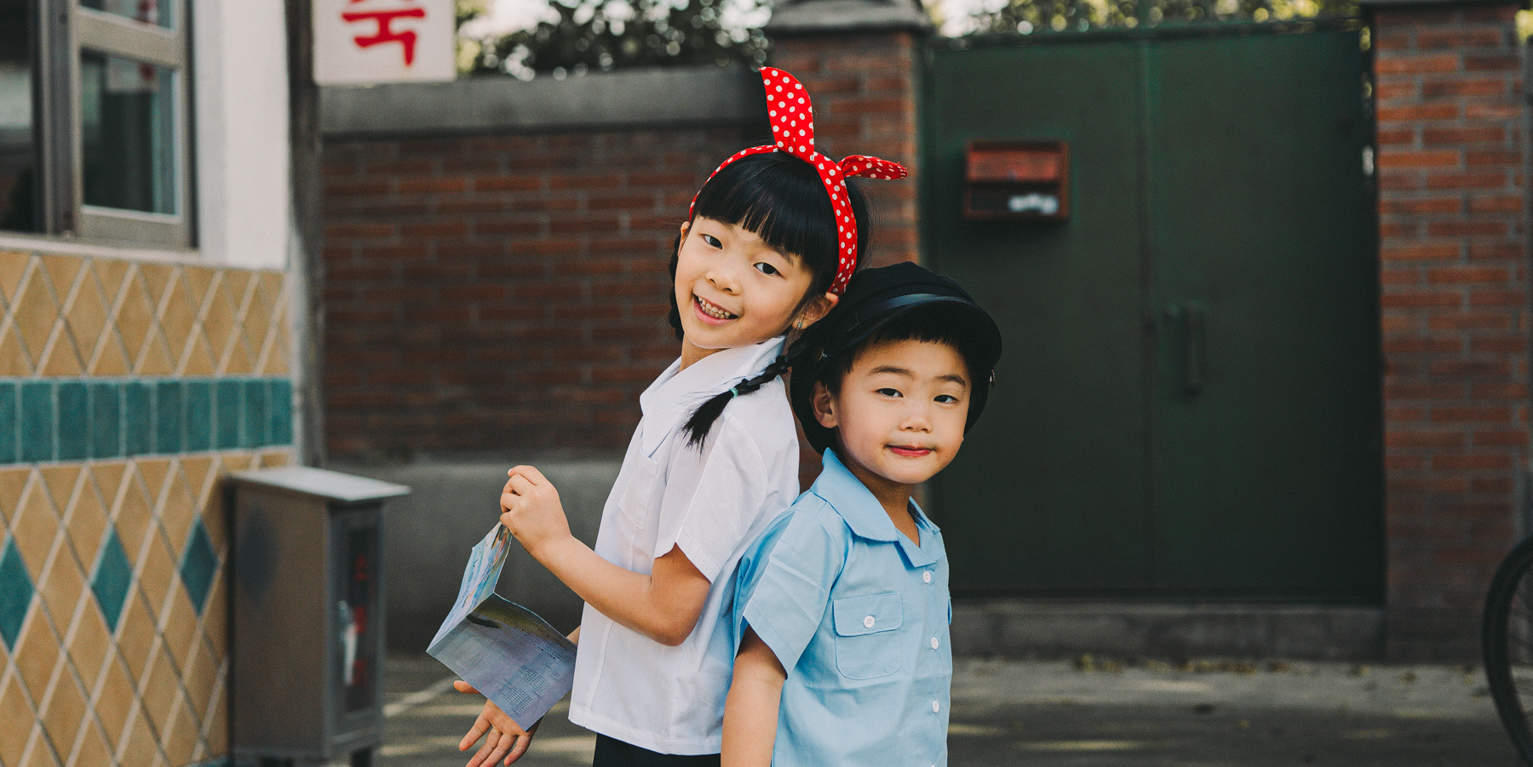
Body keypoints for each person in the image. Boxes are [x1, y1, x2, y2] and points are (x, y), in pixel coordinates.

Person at [455, 66, 910, 767]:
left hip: (678, 744)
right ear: (682, 234)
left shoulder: (732, 423)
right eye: (715, 239)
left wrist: (552, 542)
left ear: (813, 305)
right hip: (653, 728)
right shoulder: (695, 394)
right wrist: (543, 670)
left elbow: (670, 614)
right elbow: (653, 585)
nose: (726, 275)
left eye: (768, 267)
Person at [719, 262, 1002, 767]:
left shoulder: (924, 537)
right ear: (827, 403)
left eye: (945, 397)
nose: (918, 418)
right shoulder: (817, 532)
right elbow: (759, 675)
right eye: (890, 391)